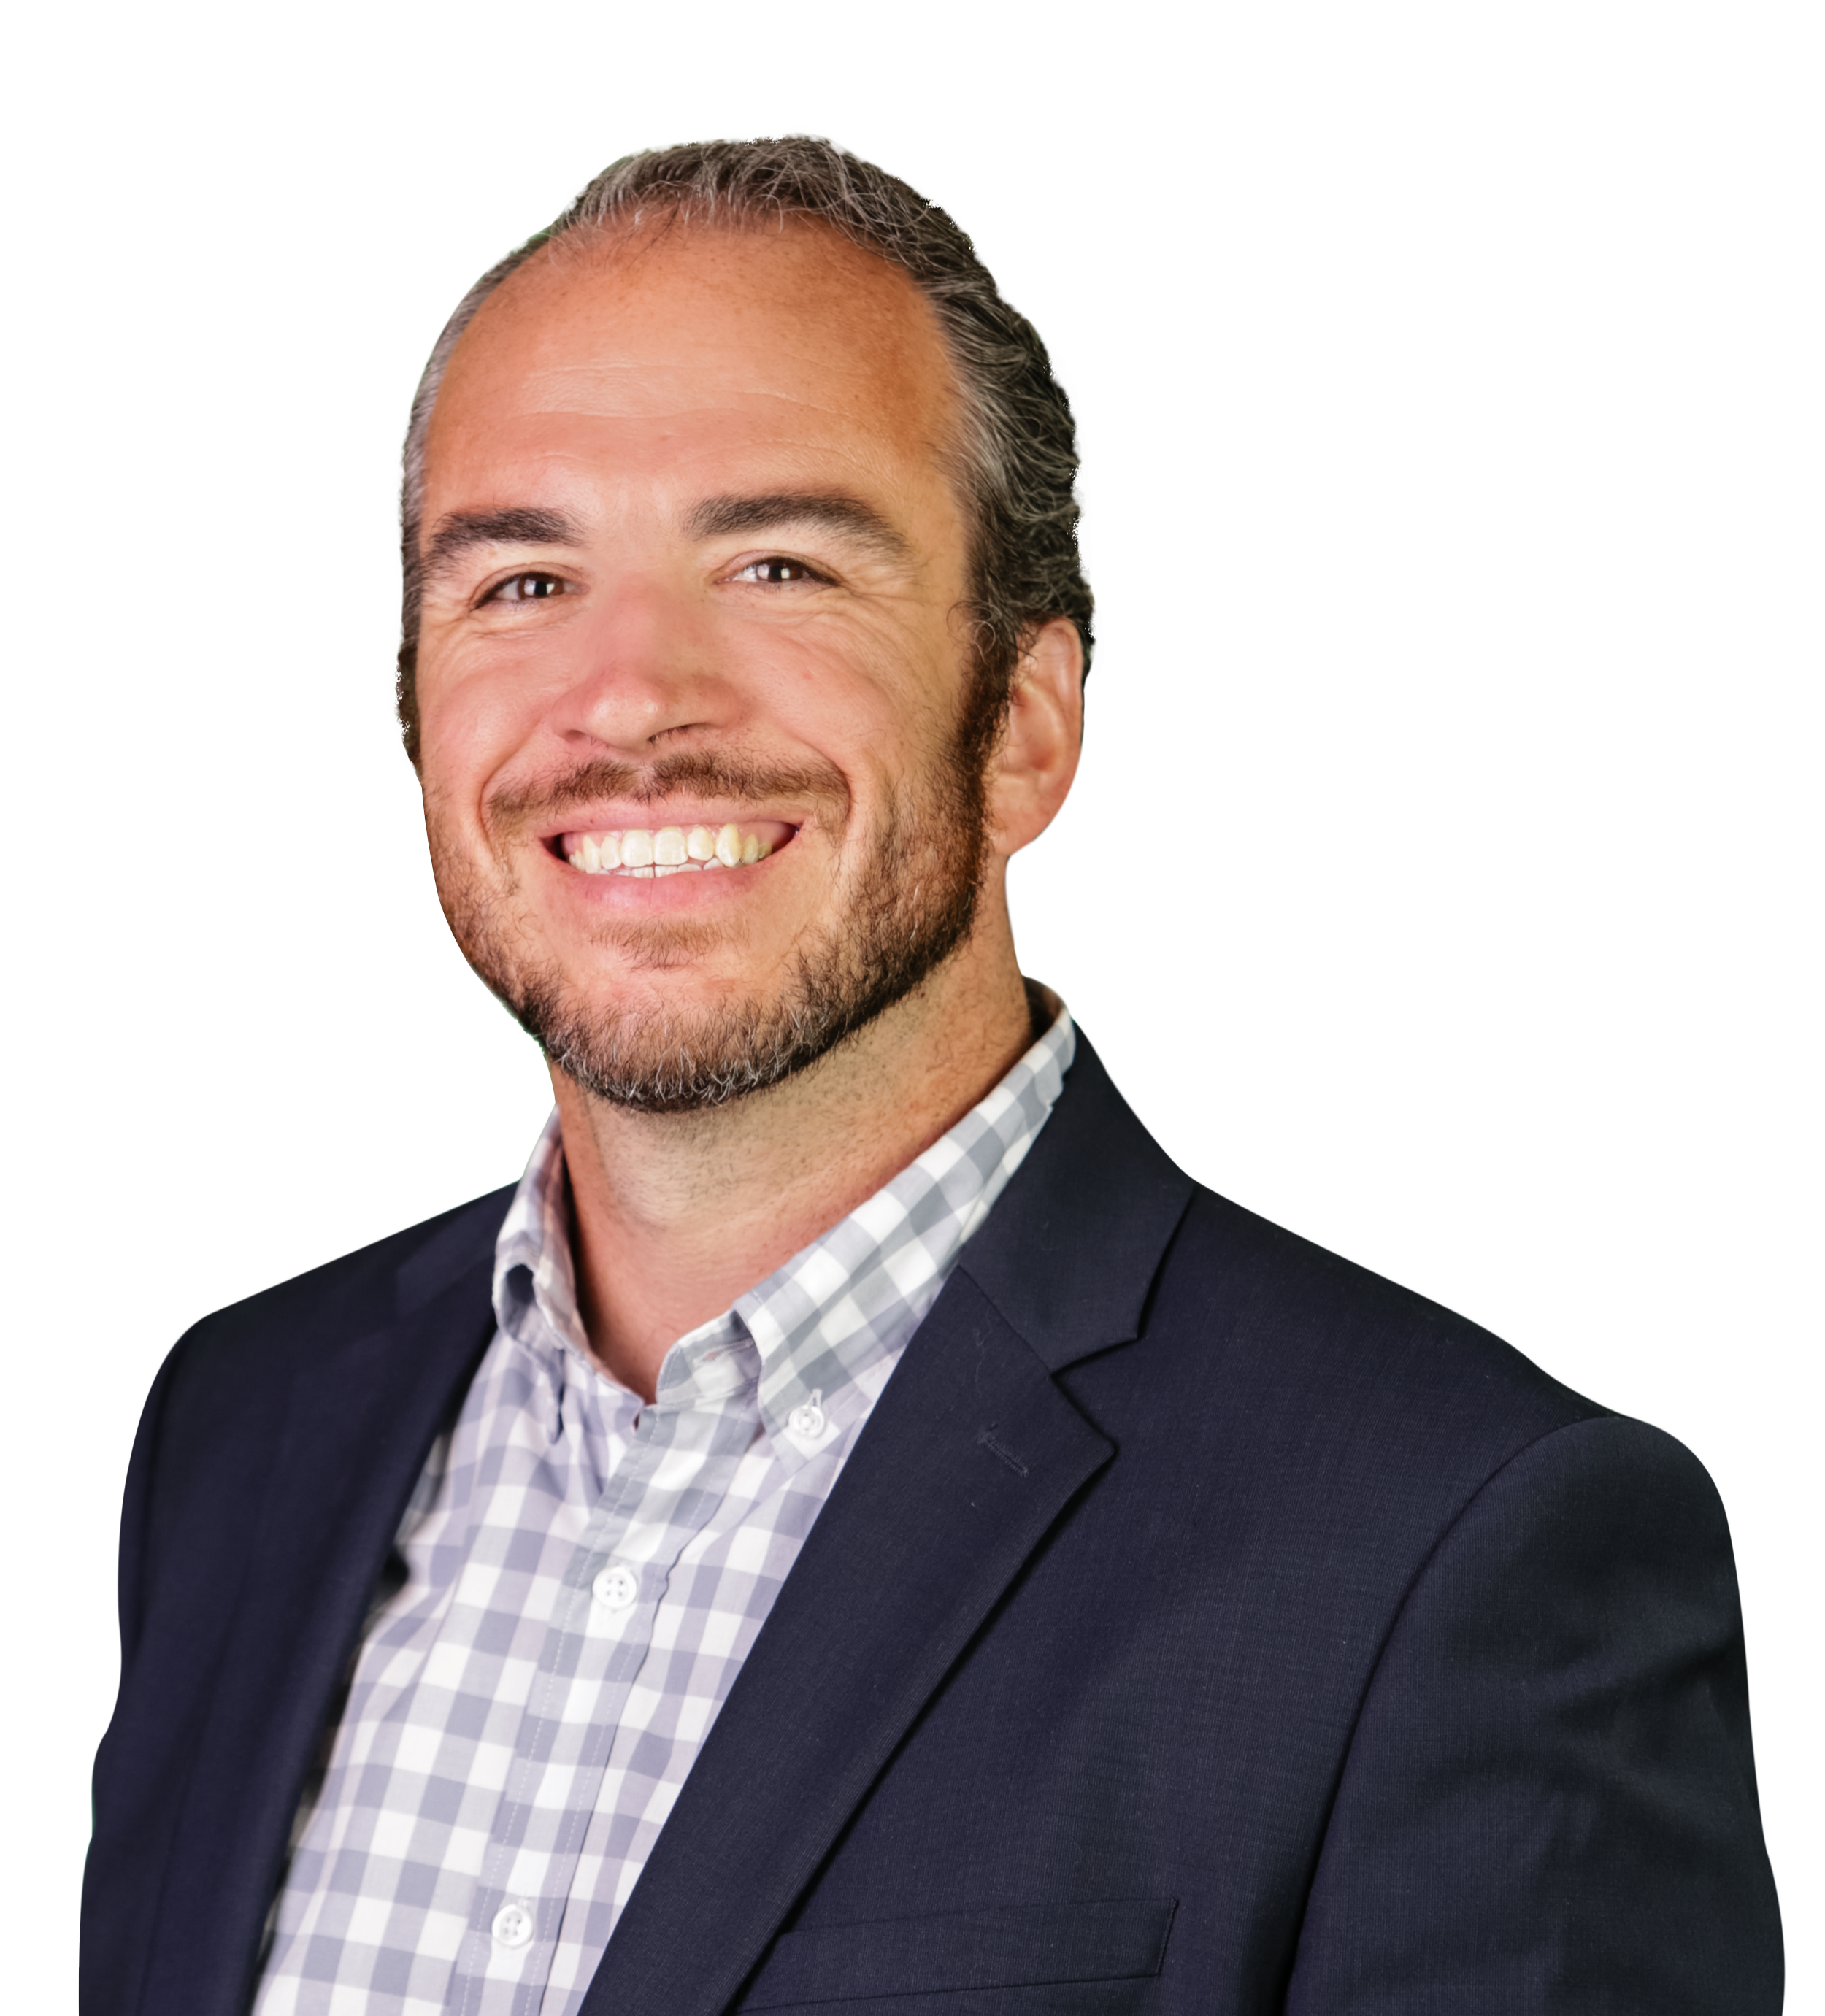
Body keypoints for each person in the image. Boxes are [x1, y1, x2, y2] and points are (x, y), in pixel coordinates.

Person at [84, 133, 1783, 2015]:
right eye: (524, 583)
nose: (631, 695)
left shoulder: (1456, 1558)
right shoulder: (240, 1424)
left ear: (1028, 730)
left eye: (781, 561)